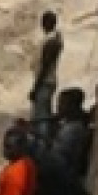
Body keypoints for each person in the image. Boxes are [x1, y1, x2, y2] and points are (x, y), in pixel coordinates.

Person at [29, 11, 63, 139]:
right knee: (41, 115)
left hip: (45, 82)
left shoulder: (51, 41)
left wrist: (35, 88)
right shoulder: (51, 38)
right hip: (45, 81)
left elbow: (45, 66)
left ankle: (43, 142)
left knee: (41, 117)